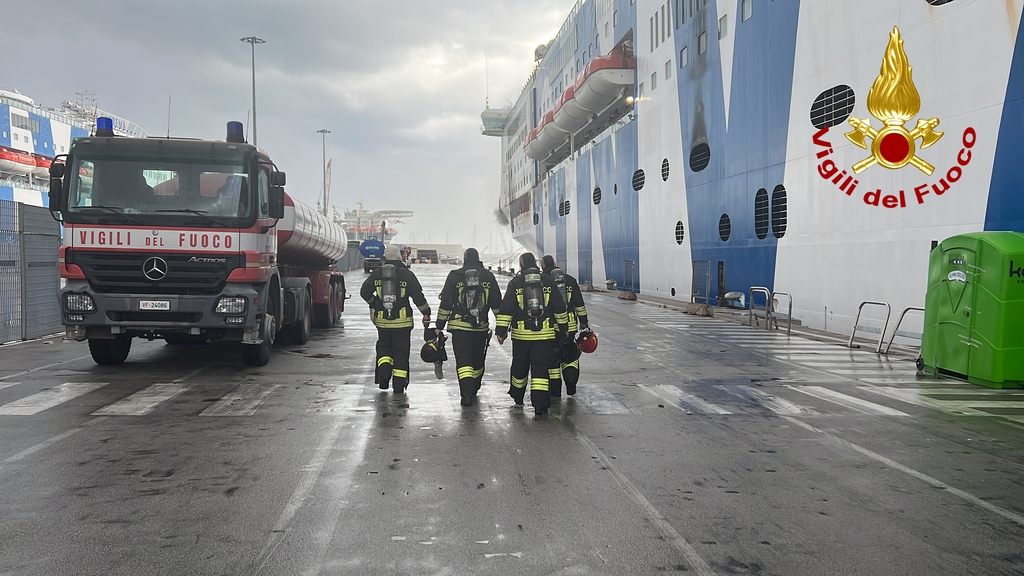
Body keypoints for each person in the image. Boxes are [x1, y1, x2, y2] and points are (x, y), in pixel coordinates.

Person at [495, 252, 568, 416]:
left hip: (521, 337)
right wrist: (564, 328)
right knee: (541, 370)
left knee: (519, 367)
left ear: (521, 264)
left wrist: (501, 331)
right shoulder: (548, 281)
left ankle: (518, 397)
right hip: (545, 336)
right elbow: (559, 306)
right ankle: (541, 406)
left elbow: (506, 309)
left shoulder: (516, 282)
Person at [435, 248, 502, 407]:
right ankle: (474, 388)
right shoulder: (488, 276)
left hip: (459, 326)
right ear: (478, 258)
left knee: (464, 360)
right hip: (480, 327)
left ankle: (466, 394)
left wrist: (439, 326)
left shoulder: (455, 276)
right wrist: (502, 327)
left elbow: (446, 304)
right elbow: (497, 304)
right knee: (477, 359)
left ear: (464, 259)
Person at [361, 245, 431, 393]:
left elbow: (364, 292)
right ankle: (399, 386)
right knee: (401, 352)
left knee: (384, 348)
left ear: (385, 258)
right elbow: (418, 297)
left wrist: (375, 303)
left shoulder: (377, 274)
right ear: (400, 258)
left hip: (383, 322)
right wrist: (426, 312)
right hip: (403, 323)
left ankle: (384, 374)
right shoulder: (407, 275)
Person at [541, 255, 589, 397]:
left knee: (553, 358)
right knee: (570, 355)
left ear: (543, 266)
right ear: (555, 264)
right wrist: (584, 321)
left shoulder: (543, 281)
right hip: (570, 325)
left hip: (551, 326)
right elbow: (579, 304)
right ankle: (571, 381)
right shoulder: (570, 280)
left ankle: (555, 390)